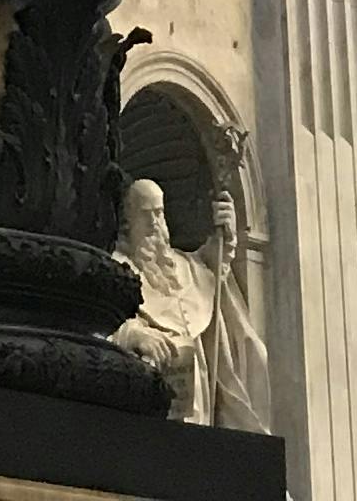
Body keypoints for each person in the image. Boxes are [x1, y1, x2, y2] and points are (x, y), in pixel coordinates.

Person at [112, 174, 270, 429]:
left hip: (198, 378)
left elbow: (209, 269)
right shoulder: (119, 266)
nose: (154, 223)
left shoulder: (181, 263)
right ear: (128, 222)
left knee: (255, 354)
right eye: (145, 214)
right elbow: (106, 319)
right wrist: (135, 334)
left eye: (159, 213)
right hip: (155, 375)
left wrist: (224, 233)